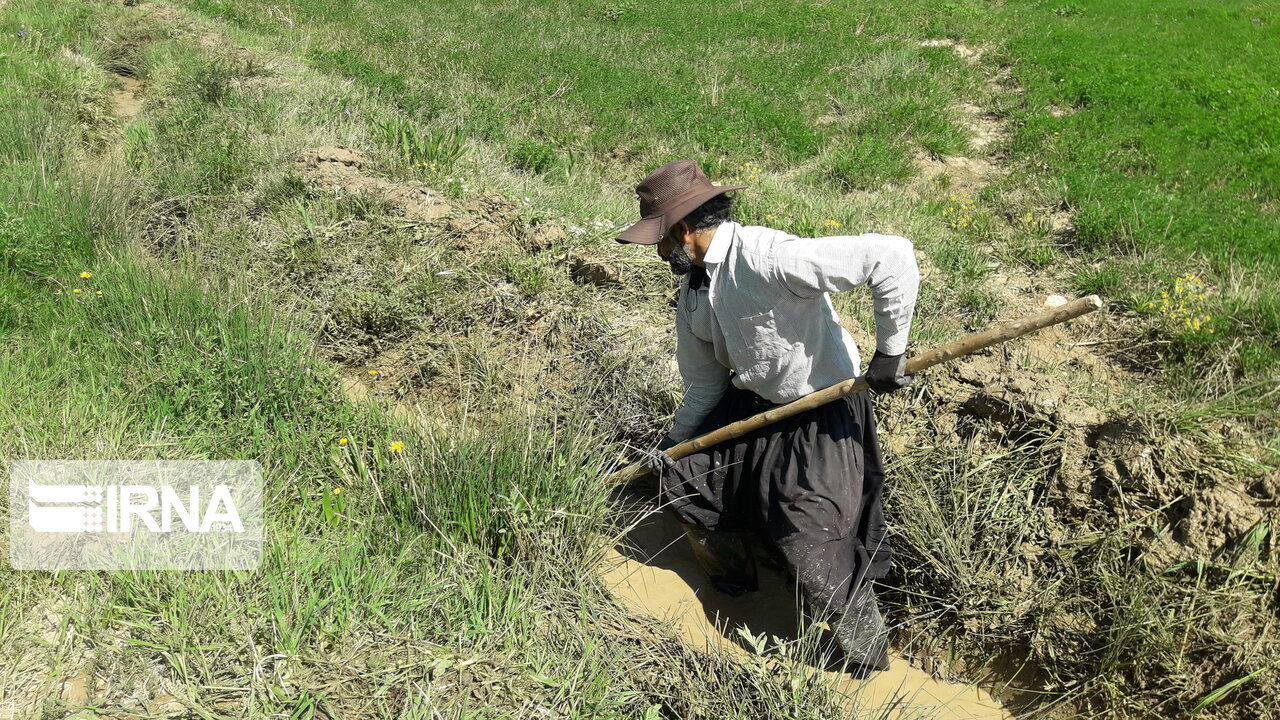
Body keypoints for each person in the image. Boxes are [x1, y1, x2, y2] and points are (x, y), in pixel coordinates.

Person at [615, 159, 919, 671]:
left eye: (662, 242)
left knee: (810, 542)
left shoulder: (769, 257)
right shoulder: (693, 294)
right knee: (687, 479)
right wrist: (676, 444)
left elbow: (891, 255)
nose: (660, 254)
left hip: (820, 412)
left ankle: (867, 659)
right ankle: (736, 584)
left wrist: (891, 353)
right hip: (750, 407)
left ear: (683, 231)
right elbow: (705, 383)